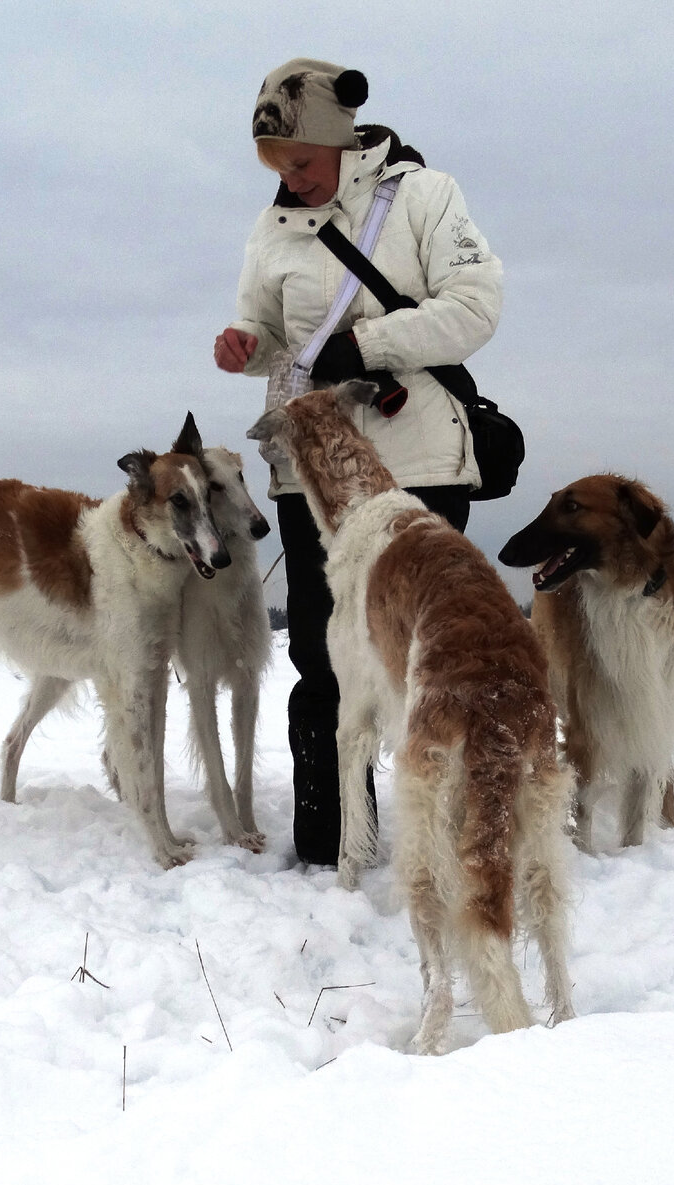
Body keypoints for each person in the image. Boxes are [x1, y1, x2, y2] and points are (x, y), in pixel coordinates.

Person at [213, 57, 502, 866]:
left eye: (299, 161)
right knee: (321, 653)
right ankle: (331, 842)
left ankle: (456, 835)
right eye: (273, 164)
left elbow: (475, 307)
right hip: (312, 481)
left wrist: (365, 345)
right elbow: (266, 330)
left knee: (432, 653)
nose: (288, 179)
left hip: (416, 470)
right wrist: (245, 348)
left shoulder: (424, 196)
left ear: (339, 142)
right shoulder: (270, 230)